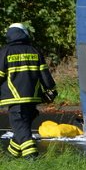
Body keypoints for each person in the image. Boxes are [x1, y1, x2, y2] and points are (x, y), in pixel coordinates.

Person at [0, 23, 56, 159]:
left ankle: (31, 156)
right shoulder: (34, 51)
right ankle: (11, 156)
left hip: (14, 98)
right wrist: (51, 89)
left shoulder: (5, 52)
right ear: (24, 33)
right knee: (22, 127)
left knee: (20, 127)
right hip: (33, 97)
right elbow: (45, 75)